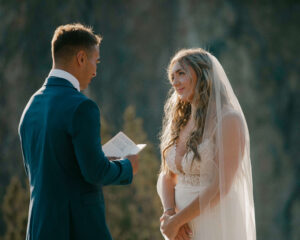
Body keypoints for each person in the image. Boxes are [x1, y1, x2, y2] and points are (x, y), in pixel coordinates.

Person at [18, 23, 138, 240]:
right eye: (96, 61)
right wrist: (127, 166)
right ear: (81, 58)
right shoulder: (82, 107)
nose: (95, 71)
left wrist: (97, 157)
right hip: (77, 229)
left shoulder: (31, 106)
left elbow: (50, 170)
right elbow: (95, 172)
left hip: (38, 229)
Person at [157, 48, 256, 240]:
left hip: (214, 221)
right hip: (180, 228)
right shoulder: (180, 121)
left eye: (181, 73)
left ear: (202, 74)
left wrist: (177, 221)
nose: (174, 82)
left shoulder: (228, 120)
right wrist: (169, 213)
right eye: (172, 76)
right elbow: (167, 175)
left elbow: (221, 186)